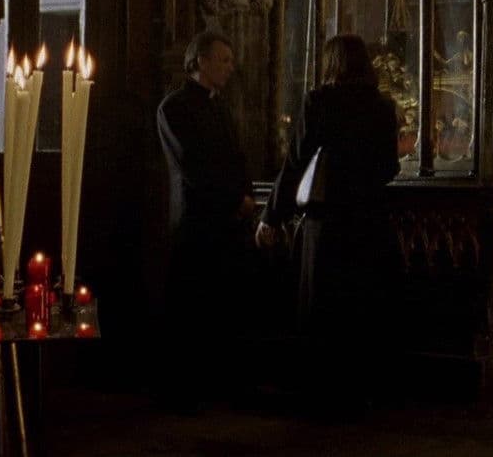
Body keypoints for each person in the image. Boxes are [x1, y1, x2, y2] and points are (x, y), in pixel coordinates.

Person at [257, 34, 400, 411]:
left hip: (328, 223)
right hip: (369, 221)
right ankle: (361, 392)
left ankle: (323, 394)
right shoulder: (383, 107)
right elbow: (390, 167)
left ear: (332, 63)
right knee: (362, 308)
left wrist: (272, 215)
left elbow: (296, 162)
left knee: (324, 307)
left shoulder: (319, 102)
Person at [155, 30, 255, 411]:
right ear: (200, 61)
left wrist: (245, 196)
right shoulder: (174, 108)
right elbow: (193, 166)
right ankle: (187, 391)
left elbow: (237, 158)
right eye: (223, 60)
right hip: (196, 223)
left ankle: (219, 385)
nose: (230, 68)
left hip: (226, 222)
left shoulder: (220, 108)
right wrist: (234, 199)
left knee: (221, 307)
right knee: (192, 308)